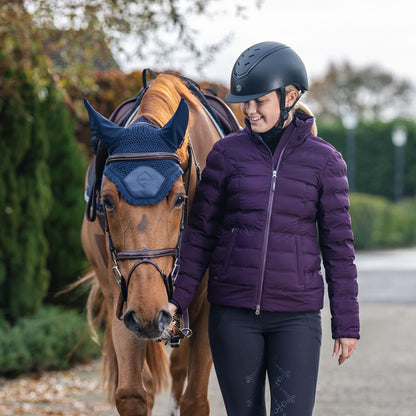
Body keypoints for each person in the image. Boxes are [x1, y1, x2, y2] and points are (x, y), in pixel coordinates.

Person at [168, 41, 360, 416]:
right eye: (244, 101)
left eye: (259, 101)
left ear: (290, 96)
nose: (249, 110)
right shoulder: (225, 154)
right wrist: (177, 299)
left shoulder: (325, 161)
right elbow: (200, 236)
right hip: (234, 317)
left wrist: (346, 323)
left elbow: (339, 248)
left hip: (296, 319)